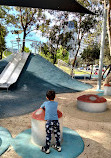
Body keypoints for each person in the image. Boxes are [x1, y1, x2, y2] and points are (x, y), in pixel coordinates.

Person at [40, 90, 61, 154]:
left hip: (49, 122)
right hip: (56, 121)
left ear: (47, 97)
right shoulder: (56, 103)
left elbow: (41, 107)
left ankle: (47, 148)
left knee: (48, 135)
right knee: (57, 134)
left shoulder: (45, 103)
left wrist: (45, 109)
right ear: (55, 96)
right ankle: (58, 146)